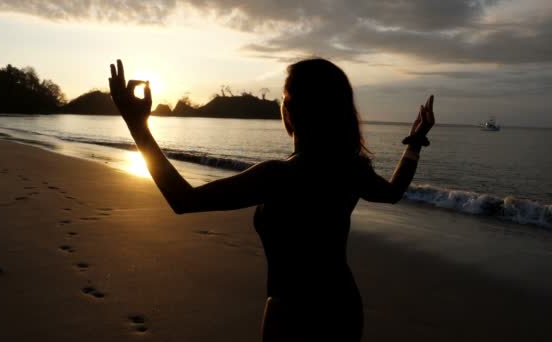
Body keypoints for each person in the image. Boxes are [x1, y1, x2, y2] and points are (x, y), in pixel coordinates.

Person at [108, 58, 435, 341]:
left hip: (291, 316)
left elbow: (183, 199)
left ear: (290, 110)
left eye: (283, 97)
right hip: (343, 308)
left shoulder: (278, 177)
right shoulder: (349, 169)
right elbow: (393, 193)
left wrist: (138, 126)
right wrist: (415, 142)